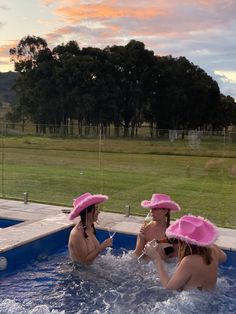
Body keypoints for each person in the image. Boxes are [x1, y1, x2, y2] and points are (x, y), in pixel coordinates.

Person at [144, 214, 227, 291]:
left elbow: (169, 287)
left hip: (192, 302)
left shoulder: (189, 261)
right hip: (211, 295)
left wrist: (157, 258)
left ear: (184, 242)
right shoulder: (214, 249)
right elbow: (224, 258)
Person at [68, 192, 113, 265]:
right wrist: (103, 246)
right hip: (80, 274)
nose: (99, 212)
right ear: (87, 212)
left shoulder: (90, 228)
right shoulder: (76, 234)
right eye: (96, 209)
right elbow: (84, 261)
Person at [133, 193, 181, 261]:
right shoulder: (146, 228)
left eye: (155, 209)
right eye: (151, 208)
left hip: (165, 269)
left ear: (165, 211)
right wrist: (141, 238)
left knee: (161, 247)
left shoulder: (173, 232)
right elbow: (135, 256)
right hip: (145, 269)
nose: (151, 211)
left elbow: (176, 259)